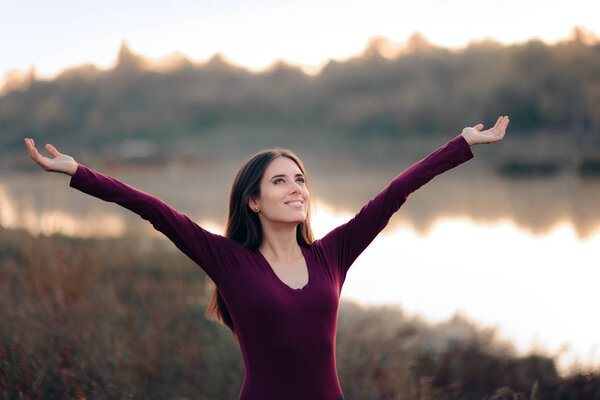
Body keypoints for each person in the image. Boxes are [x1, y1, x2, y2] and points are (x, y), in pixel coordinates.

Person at [23, 115, 509, 400]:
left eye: (300, 179)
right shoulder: (229, 262)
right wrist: (77, 172)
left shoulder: (333, 254)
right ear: (253, 201)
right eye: (280, 181)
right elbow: (154, 209)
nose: (296, 188)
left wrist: (461, 145)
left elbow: (396, 192)